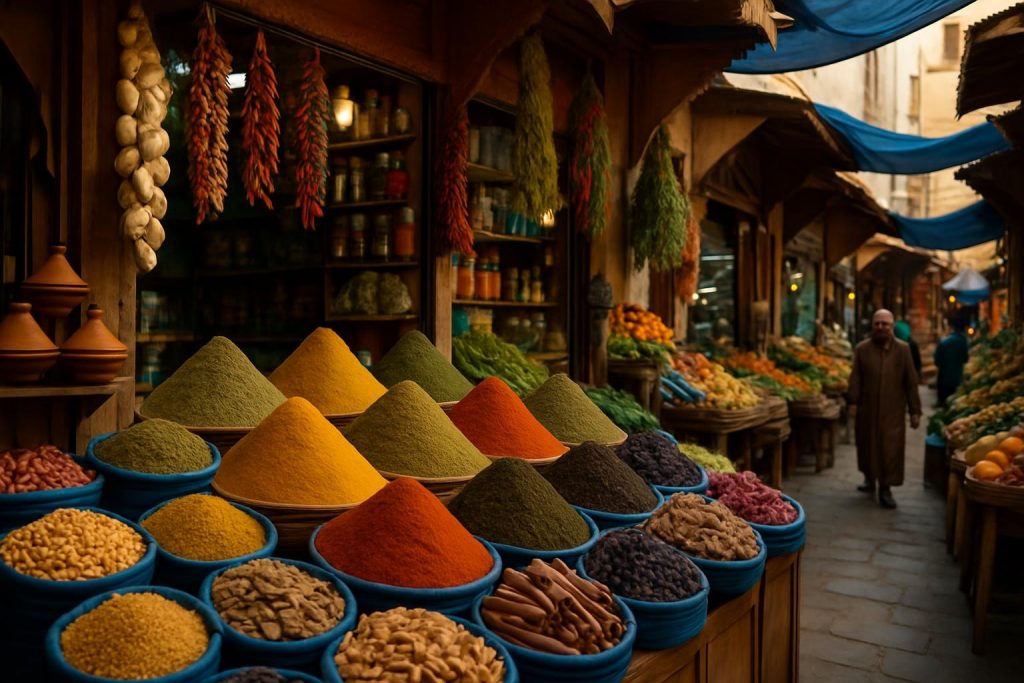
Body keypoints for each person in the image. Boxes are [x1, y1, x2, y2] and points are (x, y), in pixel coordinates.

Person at [847, 309, 923, 509]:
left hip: (893, 412)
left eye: (885, 324)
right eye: (877, 323)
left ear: (892, 326)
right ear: (872, 326)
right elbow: (855, 378)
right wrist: (853, 402)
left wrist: (915, 410)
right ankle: (869, 479)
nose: (880, 327)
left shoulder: (903, 350)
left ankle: (886, 488)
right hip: (867, 410)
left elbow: (911, 382)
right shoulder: (862, 349)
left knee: (890, 450)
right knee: (867, 446)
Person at [934, 314, 970, 406]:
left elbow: (937, 361)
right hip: (957, 379)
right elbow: (965, 359)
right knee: (954, 405)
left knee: (943, 405)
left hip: (943, 379)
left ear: (952, 327)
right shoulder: (963, 341)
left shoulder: (943, 342)